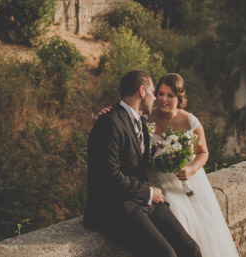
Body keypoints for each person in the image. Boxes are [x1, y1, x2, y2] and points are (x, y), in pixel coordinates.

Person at [84, 69, 201, 257]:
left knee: (191, 249)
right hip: (114, 206)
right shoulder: (108, 123)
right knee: (166, 254)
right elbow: (110, 177)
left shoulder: (142, 123)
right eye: (153, 92)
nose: (155, 98)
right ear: (141, 91)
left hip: (143, 201)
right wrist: (147, 192)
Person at [146, 74, 240, 257]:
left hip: (187, 182)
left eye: (170, 95)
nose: (163, 99)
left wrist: (191, 169)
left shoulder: (190, 121)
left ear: (179, 98)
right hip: (157, 182)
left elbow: (203, 152)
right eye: (160, 94)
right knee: (175, 216)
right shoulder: (147, 117)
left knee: (202, 232)